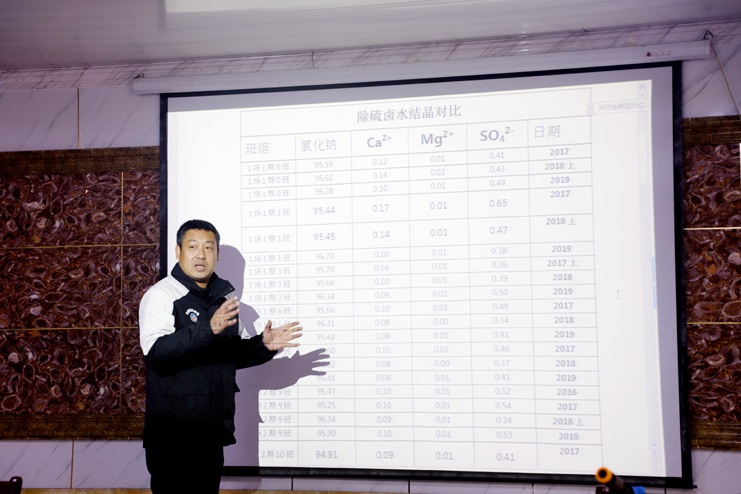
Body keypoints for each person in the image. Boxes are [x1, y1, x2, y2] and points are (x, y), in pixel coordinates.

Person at [138, 219, 302, 494]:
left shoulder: (223, 301)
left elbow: (230, 356)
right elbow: (156, 353)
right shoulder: (161, 295)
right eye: (193, 247)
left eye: (208, 247)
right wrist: (208, 328)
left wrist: (263, 345)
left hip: (210, 431)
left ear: (217, 255)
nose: (201, 255)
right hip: (173, 436)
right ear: (178, 252)